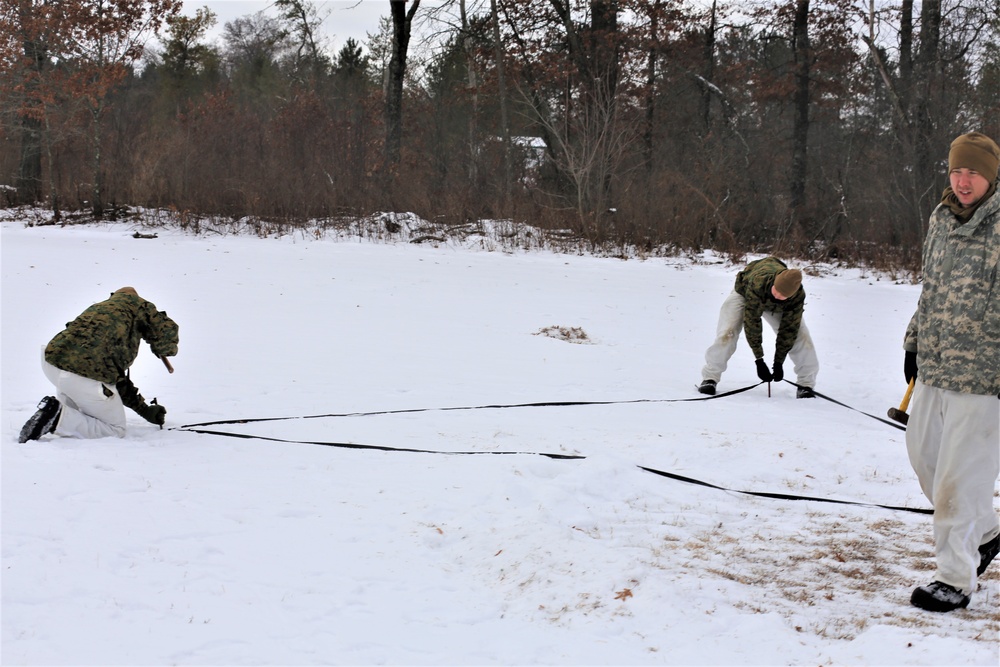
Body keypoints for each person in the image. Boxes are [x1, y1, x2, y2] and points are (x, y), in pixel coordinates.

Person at [903, 131, 1000, 613]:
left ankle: (955, 578)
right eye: (957, 170)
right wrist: (914, 341)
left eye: (974, 172)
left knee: (960, 480)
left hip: (985, 376)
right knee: (924, 458)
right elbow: (930, 286)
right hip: (937, 365)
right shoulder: (941, 218)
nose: (963, 181)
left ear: (991, 175)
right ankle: (987, 532)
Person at [18, 287, 179, 442]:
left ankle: (55, 412)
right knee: (115, 429)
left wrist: (144, 410)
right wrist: (159, 346)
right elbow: (167, 338)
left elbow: (112, 375)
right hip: (84, 376)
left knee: (77, 410)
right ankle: (57, 418)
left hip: (52, 364)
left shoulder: (98, 309)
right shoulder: (141, 308)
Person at [697, 256, 818, 397]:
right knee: (727, 333)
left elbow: (788, 330)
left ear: (791, 295)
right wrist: (759, 360)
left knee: (801, 337)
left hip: (778, 307)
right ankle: (710, 378)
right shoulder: (759, 282)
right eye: (776, 290)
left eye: (782, 295)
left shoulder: (796, 297)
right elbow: (752, 322)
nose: (777, 295)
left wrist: (778, 362)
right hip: (745, 293)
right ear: (774, 282)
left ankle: (806, 384)